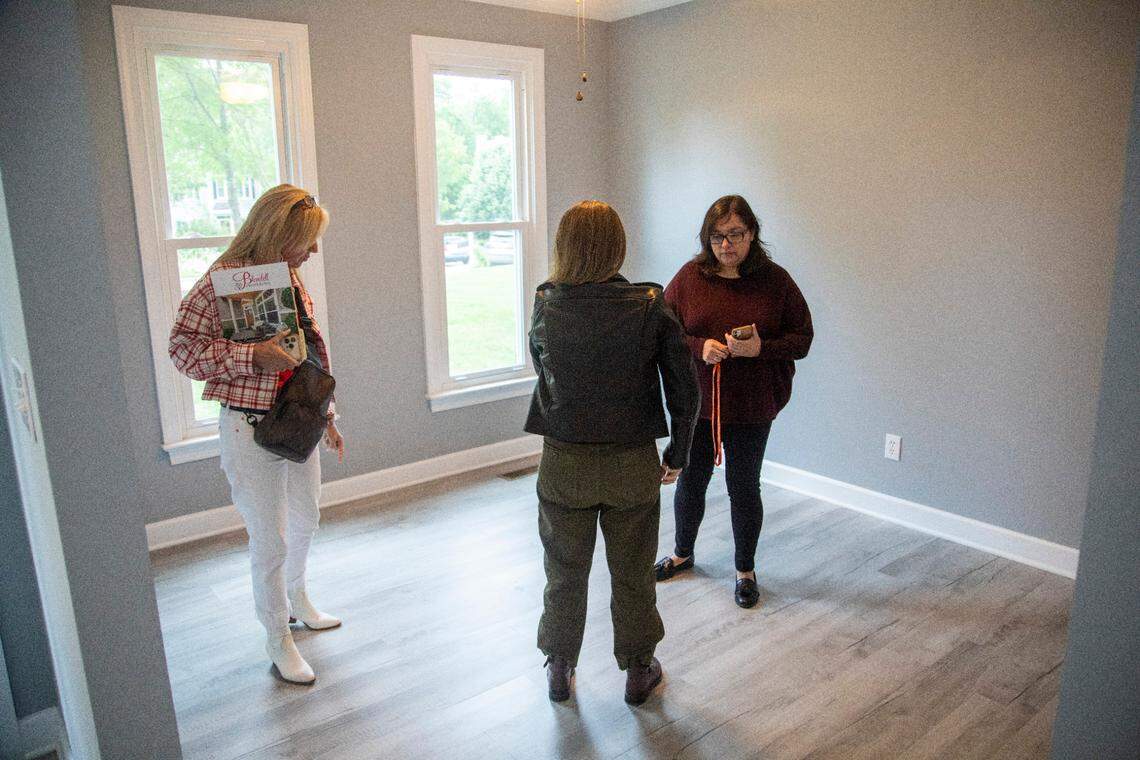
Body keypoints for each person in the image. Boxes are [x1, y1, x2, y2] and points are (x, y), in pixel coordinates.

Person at [169, 184, 345, 685]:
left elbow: (310, 355)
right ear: (278, 234)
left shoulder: (289, 279)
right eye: (306, 241)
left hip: (299, 421)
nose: (313, 251)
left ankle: (296, 598)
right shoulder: (221, 281)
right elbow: (182, 349)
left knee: (307, 517)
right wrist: (251, 356)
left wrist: (328, 416)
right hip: (248, 427)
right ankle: (277, 636)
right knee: (270, 539)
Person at [525, 200, 699, 705]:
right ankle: (639, 670)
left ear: (565, 246)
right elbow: (684, 390)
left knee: (563, 571)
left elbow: (544, 368)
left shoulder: (546, 301)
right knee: (633, 571)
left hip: (564, 460)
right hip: (631, 460)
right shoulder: (649, 303)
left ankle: (560, 667)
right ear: (617, 246)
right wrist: (678, 452)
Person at [655, 194, 812, 608]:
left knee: (743, 487)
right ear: (707, 238)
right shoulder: (690, 278)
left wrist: (760, 348)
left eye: (736, 234)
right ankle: (682, 554)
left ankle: (745, 570)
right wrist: (699, 346)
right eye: (717, 236)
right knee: (691, 481)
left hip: (752, 405)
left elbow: (802, 339)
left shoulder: (776, 281)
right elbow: (663, 330)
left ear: (752, 234)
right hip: (699, 405)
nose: (726, 244)